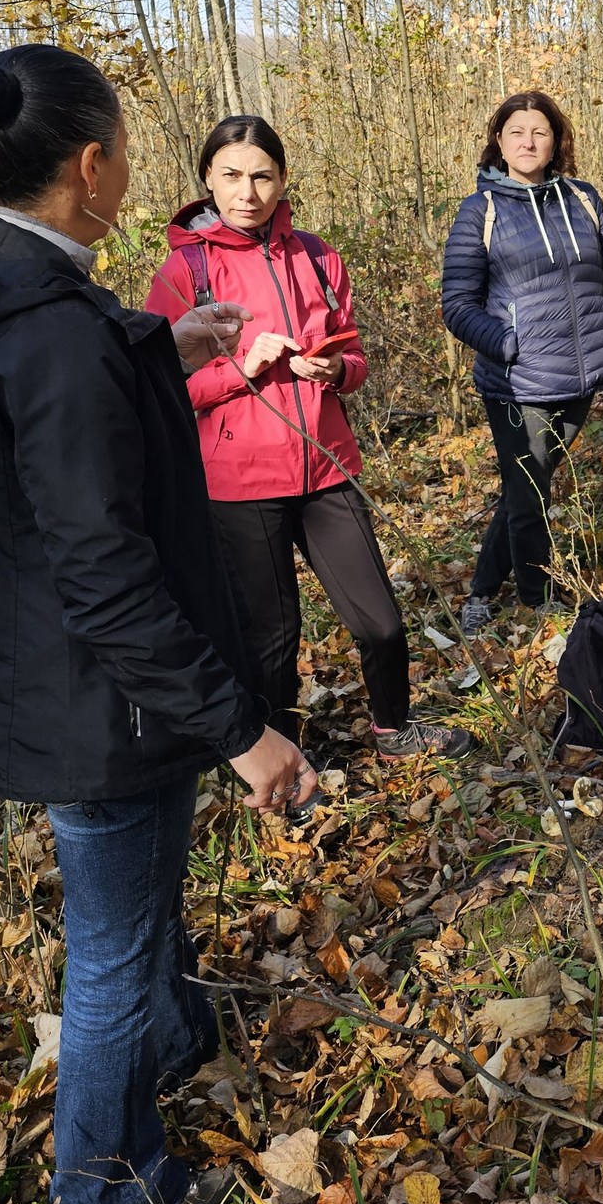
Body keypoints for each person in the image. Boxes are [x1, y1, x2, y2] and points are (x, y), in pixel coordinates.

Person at [0, 45, 316, 1204]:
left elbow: (35, 397)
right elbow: (104, 570)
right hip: (95, 693)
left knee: (140, 913)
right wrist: (244, 730)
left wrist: (160, 350)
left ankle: (170, 1038)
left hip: (30, 677)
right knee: (114, 949)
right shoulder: (56, 332)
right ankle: (104, 1187)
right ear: (90, 164)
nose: (129, 165)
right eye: (123, 146)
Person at [144, 116, 472, 761]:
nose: (247, 192)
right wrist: (241, 367)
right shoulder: (185, 271)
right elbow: (162, 394)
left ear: (283, 179)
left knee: (379, 621)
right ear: (207, 179)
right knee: (272, 639)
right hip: (238, 483)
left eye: (262, 176)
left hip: (326, 468)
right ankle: (284, 764)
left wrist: (335, 369)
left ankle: (393, 730)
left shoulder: (318, 256)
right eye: (231, 176)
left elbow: (355, 361)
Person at [441, 92, 603, 631]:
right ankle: (536, 599)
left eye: (539, 132)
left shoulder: (584, 198)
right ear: (498, 142)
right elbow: (457, 303)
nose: (528, 141)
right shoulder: (481, 211)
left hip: (581, 375)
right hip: (516, 383)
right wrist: (509, 347)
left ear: (556, 141)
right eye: (516, 131)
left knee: (528, 484)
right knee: (529, 496)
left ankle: (480, 585)